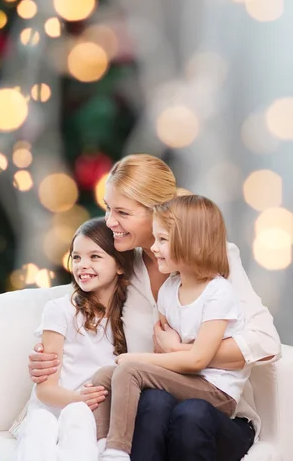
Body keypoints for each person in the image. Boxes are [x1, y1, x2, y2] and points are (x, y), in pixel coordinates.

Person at [27, 154, 281, 461]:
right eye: (108, 208)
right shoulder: (122, 266)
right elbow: (79, 309)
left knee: (190, 414)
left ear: (159, 211)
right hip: (151, 410)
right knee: (153, 403)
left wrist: (183, 351)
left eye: (122, 212)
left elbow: (266, 342)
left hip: (213, 414)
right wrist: (48, 361)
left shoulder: (212, 260)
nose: (110, 222)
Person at [92, 194, 251, 461]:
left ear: (191, 242)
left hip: (216, 391)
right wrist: (148, 358)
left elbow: (198, 359)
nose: (153, 248)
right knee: (104, 376)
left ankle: (117, 452)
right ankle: (99, 444)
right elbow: (164, 355)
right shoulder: (169, 289)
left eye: (162, 240)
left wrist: (135, 359)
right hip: (185, 381)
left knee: (128, 369)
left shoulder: (217, 292)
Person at [16, 218, 133, 461]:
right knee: (41, 424)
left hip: (90, 417)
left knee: (79, 421)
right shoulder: (60, 310)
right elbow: (45, 390)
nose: (82, 265)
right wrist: (78, 399)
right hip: (53, 409)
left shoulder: (132, 315)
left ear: (120, 265)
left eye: (95, 257)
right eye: (76, 257)